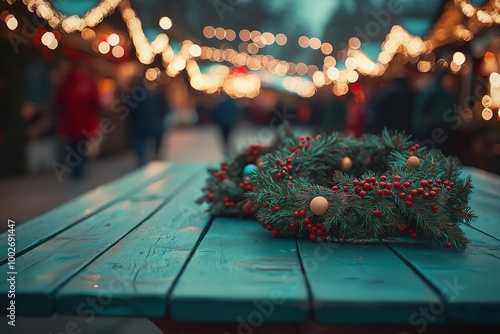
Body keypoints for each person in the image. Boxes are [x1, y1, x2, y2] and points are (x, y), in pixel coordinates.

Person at [54, 63, 100, 179]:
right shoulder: (87, 83)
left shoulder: (65, 84)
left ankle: (75, 170)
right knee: (81, 148)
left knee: (71, 148)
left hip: (70, 124)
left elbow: (59, 104)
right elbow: (95, 102)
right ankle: (80, 170)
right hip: (84, 124)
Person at [413, 71, 458, 155]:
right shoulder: (432, 92)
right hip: (431, 130)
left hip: (445, 130)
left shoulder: (450, 96)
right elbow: (422, 109)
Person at [129, 82, 169, 166]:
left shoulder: (137, 96)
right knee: (149, 138)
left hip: (141, 122)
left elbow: (131, 111)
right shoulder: (152, 96)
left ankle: (141, 158)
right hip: (151, 121)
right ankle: (154, 153)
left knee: (140, 139)